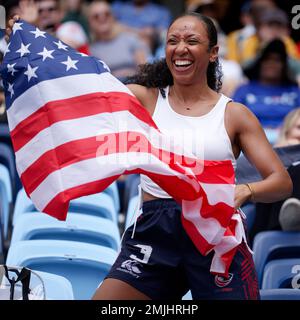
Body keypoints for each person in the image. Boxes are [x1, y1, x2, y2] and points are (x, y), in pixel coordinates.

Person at [6, 13, 292, 300]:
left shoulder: (235, 114)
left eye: (192, 41)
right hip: (155, 232)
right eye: (172, 41)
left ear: (213, 52)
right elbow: (74, 81)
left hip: (216, 233)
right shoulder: (143, 99)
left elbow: (281, 181)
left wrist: (245, 190)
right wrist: (27, 38)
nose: (180, 48)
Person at [232, 39, 300, 144]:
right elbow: (232, 118)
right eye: (267, 59)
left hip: (286, 140)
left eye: (277, 60)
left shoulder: (294, 90)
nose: (271, 64)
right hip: (250, 141)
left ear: (284, 65)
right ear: (260, 64)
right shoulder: (244, 90)